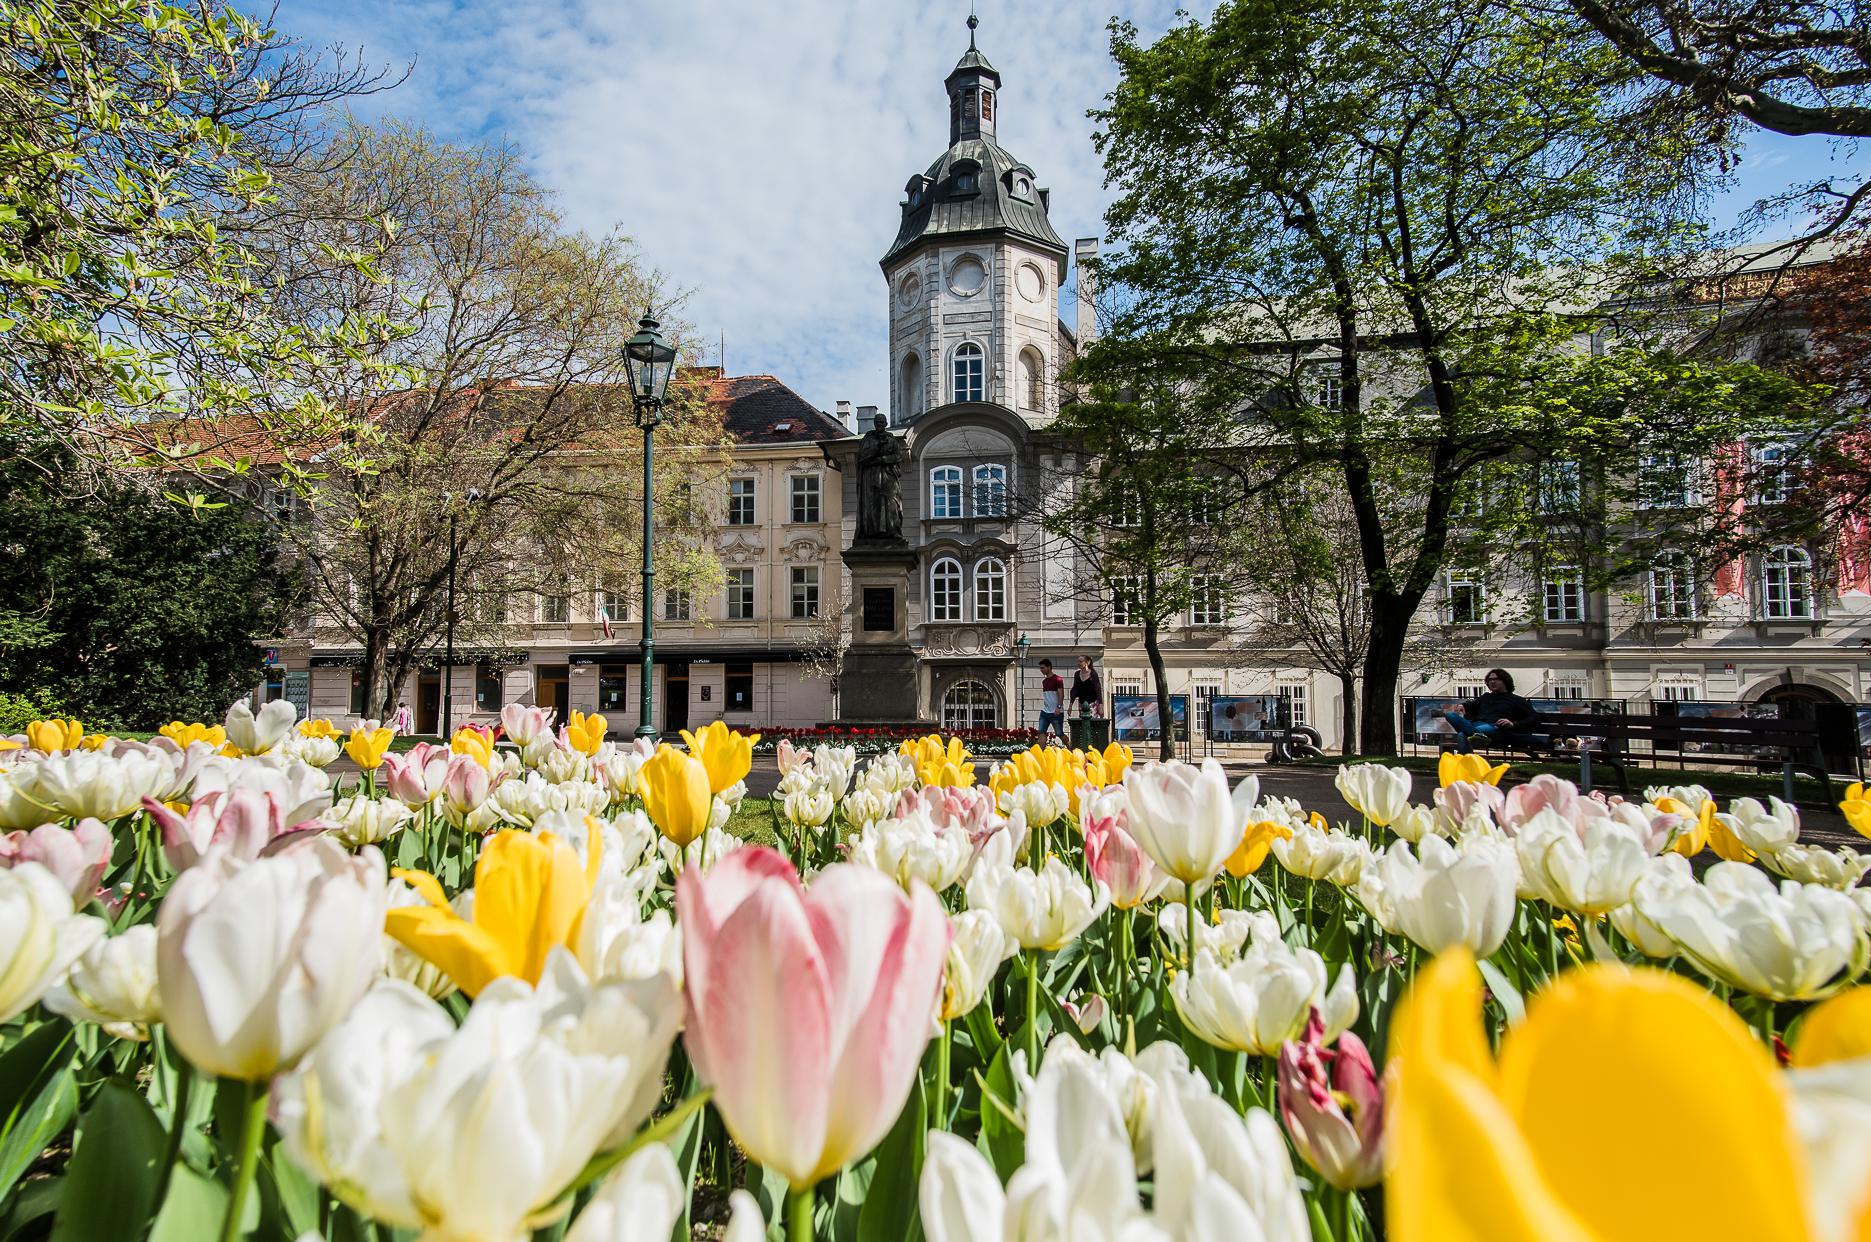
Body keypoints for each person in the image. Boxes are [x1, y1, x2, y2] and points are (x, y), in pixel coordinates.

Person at [1441, 669, 1537, 754]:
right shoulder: (1486, 697)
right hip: (1477, 725)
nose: (1492, 682)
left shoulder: (1517, 700)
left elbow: (1533, 719)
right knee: (1450, 715)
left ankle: (1467, 761)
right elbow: (1471, 705)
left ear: (1505, 681)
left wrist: (1513, 724)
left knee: (1462, 734)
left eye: (1495, 679)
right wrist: (1462, 705)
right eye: (1490, 680)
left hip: (1497, 729)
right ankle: (1477, 736)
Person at [1036, 659, 1065, 744]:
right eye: (1040, 668)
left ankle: (1072, 750)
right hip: (1045, 712)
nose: (1041, 670)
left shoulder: (1058, 679)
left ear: (1049, 667)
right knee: (1041, 732)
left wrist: (1058, 707)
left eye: (1043, 668)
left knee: (1059, 733)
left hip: (1056, 712)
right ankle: (1041, 754)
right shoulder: (1044, 681)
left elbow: (1061, 694)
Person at [1069, 655, 1103, 719]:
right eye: (1078, 661)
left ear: (1087, 662)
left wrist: (1100, 706)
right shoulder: (1077, 674)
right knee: (1083, 724)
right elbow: (1075, 690)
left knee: (1092, 723)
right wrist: (1070, 705)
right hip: (1082, 704)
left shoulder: (1093, 674)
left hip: (1092, 703)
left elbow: (1098, 689)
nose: (1078, 663)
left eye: (1081, 661)